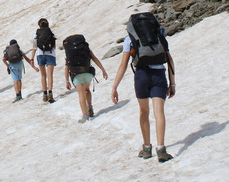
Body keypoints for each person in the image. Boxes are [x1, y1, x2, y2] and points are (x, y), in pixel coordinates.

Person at [111, 16, 176, 162]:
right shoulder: (159, 35)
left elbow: (123, 64)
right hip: (159, 75)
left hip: (141, 75)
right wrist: (172, 84)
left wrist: (115, 86)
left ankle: (147, 148)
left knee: (144, 111)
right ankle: (161, 149)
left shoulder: (130, 39)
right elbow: (169, 60)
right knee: (159, 112)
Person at [63, 36, 108, 123]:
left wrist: (67, 81)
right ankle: (90, 107)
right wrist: (103, 70)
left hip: (76, 74)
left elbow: (67, 66)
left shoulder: (69, 50)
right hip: (88, 72)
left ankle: (85, 116)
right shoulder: (85, 47)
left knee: (81, 94)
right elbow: (94, 58)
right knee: (87, 90)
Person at [30, 18, 57, 103]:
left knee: (43, 75)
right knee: (50, 75)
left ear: (39, 25)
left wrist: (32, 58)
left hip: (40, 55)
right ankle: (50, 94)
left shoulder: (36, 34)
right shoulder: (51, 32)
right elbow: (54, 46)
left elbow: (34, 47)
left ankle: (44, 95)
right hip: (50, 55)